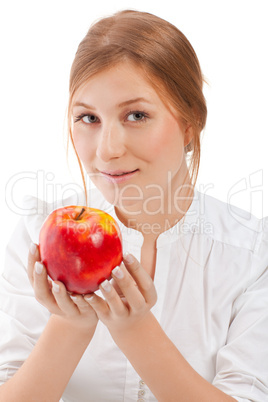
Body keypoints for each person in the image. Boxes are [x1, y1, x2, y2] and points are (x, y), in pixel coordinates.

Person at [0, 9, 267, 402]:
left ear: (191, 120)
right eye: (88, 117)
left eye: (136, 115)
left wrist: (135, 330)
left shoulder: (252, 253)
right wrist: (69, 326)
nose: (107, 150)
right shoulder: (37, 235)